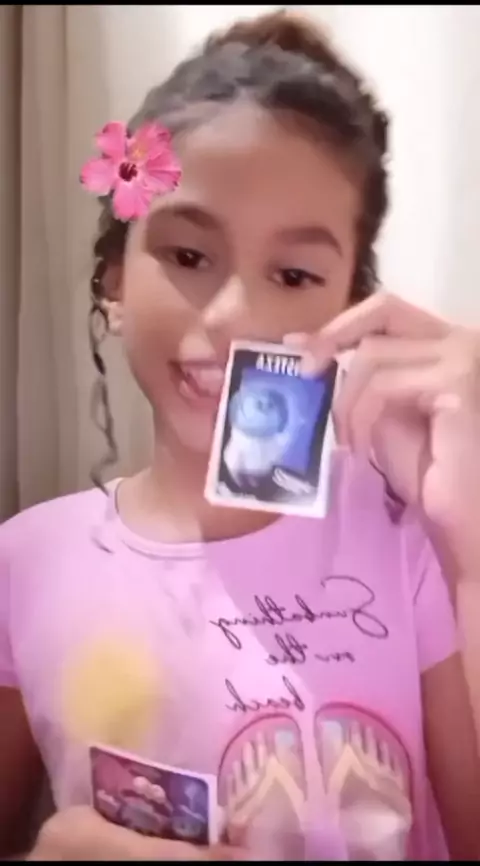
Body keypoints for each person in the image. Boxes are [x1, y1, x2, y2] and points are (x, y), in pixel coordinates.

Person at [1, 8, 480, 861]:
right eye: (188, 256)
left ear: (349, 311)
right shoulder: (23, 565)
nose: (232, 316)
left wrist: (470, 540)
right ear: (114, 278)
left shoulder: (414, 531)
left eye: (294, 274)